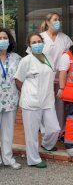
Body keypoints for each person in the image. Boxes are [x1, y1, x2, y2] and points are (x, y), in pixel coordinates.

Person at [15, 33, 60, 168]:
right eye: (34, 42)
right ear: (29, 45)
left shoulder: (48, 58)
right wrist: (27, 93)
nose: (37, 44)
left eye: (39, 41)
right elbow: (18, 80)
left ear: (43, 43)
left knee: (54, 128)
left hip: (47, 100)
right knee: (32, 133)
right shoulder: (26, 61)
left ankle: (47, 144)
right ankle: (33, 159)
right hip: (31, 101)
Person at [38, 12, 73, 133]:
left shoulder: (65, 38)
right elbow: (32, 56)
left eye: (59, 19)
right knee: (46, 105)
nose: (58, 22)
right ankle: (46, 131)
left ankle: (60, 131)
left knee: (60, 106)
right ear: (48, 22)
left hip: (61, 78)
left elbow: (71, 58)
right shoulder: (40, 37)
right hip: (44, 78)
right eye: (55, 19)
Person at [0, 28, 22, 170]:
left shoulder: (16, 58)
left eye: (4, 38)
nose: (3, 41)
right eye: (0, 38)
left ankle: (8, 158)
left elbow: (21, 79)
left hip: (11, 99)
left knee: (8, 131)